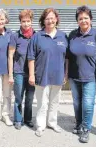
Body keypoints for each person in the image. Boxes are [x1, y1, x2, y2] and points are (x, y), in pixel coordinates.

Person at [27, 8, 68, 137]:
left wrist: (66, 74)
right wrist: (32, 74)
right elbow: (31, 57)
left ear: (56, 19)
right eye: (47, 18)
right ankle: (40, 125)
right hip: (41, 75)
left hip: (58, 75)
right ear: (43, 21)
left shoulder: (63, 36)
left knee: (54, 101)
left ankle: (52, 122)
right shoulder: (37, 36)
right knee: (42, 103)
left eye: (52, 18)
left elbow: (67, 58)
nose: (50, 20)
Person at [67, 5, 96, 143]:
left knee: (87, 104)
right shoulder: (72, 35)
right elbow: (68, 57)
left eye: (86, 18)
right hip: (74, 76)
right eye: (80, 18)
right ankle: (78, 124)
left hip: (90, 77)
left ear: (91, 20)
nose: (83, 21)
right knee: (77, 103)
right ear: (77, 21)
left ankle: (86, 129)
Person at [8, 9, 35, 130]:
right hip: (19, 72)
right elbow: (10, 56)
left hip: (32, 73)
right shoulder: (15, 36)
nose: (26, 24)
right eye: (23, 21)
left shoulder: (36, 35)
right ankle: (18, 119)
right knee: (19, 97)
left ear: (32, 21)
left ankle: (28, 119)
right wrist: (10, 74)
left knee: (29, 98)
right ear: (20, 22)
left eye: (28, 21)